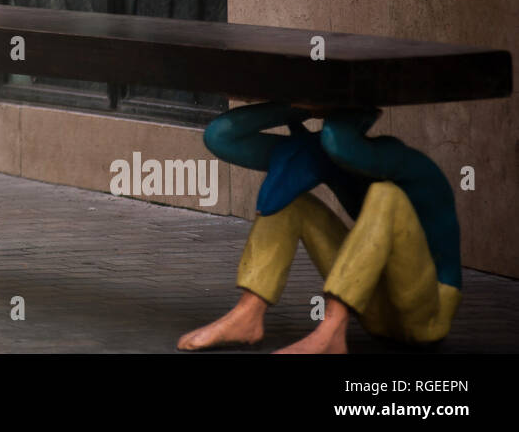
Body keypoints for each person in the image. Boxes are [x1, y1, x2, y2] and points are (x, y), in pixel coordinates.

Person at [178, 102, 462, 354]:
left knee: (387, 196)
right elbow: (222, 137)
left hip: (426, 316)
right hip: (375, 310)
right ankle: (248, 315)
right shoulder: (328, 154)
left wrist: (350, 109)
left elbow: (338, 143)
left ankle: (332, 331)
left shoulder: (408, 166)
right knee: (290, 199)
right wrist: (305, 108)